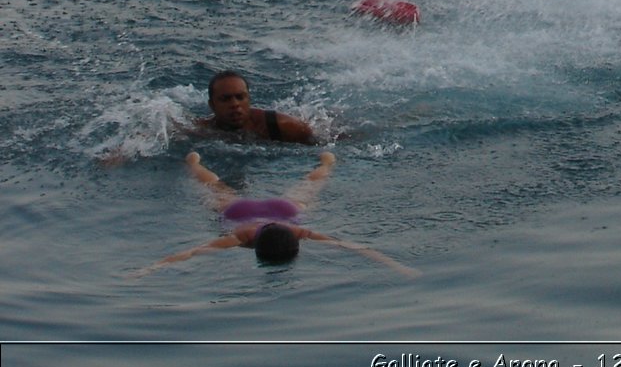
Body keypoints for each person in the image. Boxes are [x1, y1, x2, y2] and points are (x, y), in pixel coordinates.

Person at [133, 152, 415, 276]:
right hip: (253, 212)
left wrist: (149, 269)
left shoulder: (253, 234)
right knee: (309, 186)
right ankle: (327, 162)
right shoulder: (248, 235)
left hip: (272, 211)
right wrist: (395, 265)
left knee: (216, 186)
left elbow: (191, 252)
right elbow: (352, 247)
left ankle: (193, 162)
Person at [194, 71, 316, 145]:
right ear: (212, 105)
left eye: (240, 97)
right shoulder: (202, 131)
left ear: (249, 99)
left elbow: (319, 144)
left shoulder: (284, 126)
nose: (235, 104)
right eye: (225, 99)